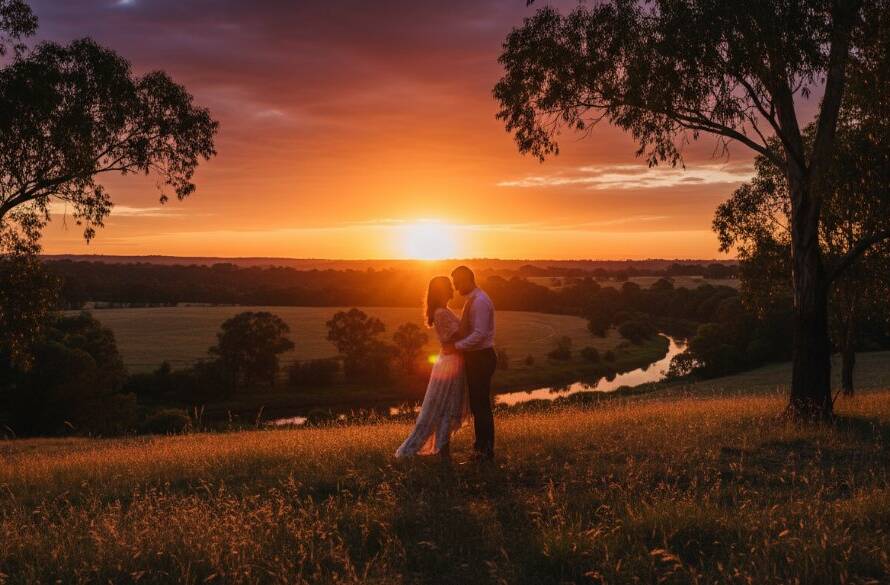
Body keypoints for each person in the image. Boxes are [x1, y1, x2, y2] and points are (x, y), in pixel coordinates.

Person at [395, 277, 469, 458]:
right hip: (450, 364)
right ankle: (416, 451)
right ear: (442, 291)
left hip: (452, 362)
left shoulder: (444, 310)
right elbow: (456, 337)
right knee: (444, 409)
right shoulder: (441, 313)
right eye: (449, 287)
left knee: (448, 408)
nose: (453, 289)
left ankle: (443, 452)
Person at [444, 265, 496, 461]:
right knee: (478, 405)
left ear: (467, 279)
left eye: (457, 283)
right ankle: (481, 448)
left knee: (481, 406)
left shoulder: (480, 301)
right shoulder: (473, 300)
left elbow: (479, 335)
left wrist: (456, 347)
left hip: (482, 357)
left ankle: (485, 451)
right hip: (476, 357)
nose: (456, 288)